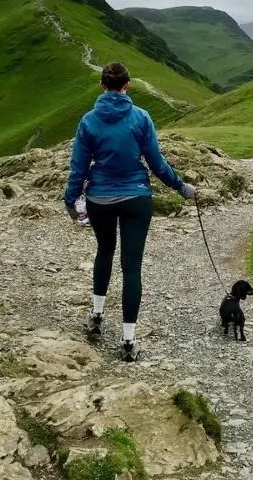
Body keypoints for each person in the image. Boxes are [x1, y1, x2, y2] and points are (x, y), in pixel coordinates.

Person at [63, 62, 196, 362]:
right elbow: (157, 163)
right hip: (137, 197)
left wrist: (71, 201)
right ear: (128, 85)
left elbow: (78, 169)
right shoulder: (141, 118)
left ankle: (96, 316)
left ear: (102, 86)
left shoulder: (88, 121)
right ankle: (128, 340)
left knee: (104, 251)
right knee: (131, 267)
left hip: (100, 199)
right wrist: (181, 187)